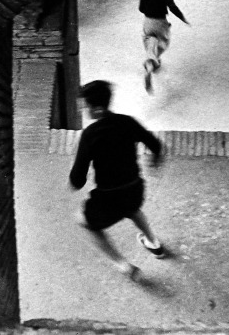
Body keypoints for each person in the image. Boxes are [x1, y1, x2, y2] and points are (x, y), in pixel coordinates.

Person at [69, 80, 167, 281]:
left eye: (84, 106)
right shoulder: (127, 122)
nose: (82, 110)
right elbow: (156, 145)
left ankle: (124, 266)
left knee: (84, 221)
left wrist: (72, 181)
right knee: (132, 210)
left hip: (108, 200)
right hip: (134, 190)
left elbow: (77, 180)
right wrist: (154, 161)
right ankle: (153, 243)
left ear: (96, 109)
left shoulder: (90, 135)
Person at [139, 0, 190, 93]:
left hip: (148, 21)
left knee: (150, 42)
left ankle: (150, 65)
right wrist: (183, 18)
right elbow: (172, 7)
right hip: (161, 22)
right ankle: (153, 62)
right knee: (162, 43)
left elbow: (141, 8)